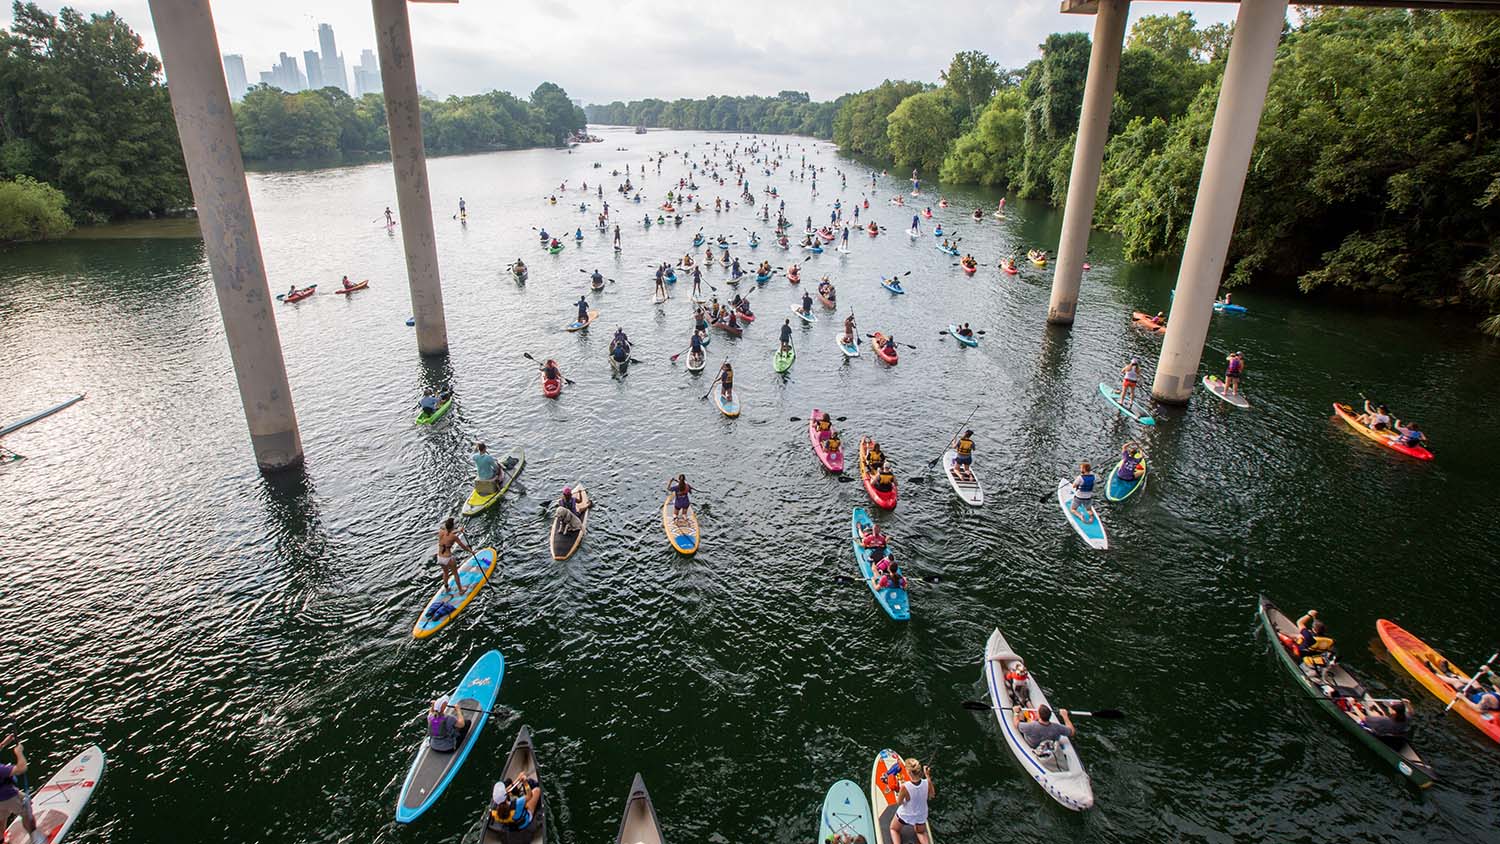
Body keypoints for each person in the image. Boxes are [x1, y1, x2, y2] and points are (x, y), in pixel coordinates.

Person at [888, 758, 933, 844]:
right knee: (921, 832)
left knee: (893, 829)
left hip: (906, 815)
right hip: (921, 814)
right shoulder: (927, 782)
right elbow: (931, 794)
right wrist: (927, 776)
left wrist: (899, 791)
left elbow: (899, 802)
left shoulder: (905, 786)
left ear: (908, 772)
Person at [0, 735, 34, 837]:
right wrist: (19, 753)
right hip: (8, 796)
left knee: (1, 817)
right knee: (27, 813)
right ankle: (34, 837)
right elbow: (21, 768)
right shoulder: (1, 770)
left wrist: (3, 744)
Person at [436, 517, 473, 595]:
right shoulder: (454, 537)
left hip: (439, 557)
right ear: (452, 527)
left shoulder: (441, 532)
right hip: (448, 558)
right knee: (455, 573)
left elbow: (448, 532)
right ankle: (461, 590)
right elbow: (462, 546)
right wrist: (471, 551)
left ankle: (447, 588)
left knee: (445, 572)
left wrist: (458, 530)